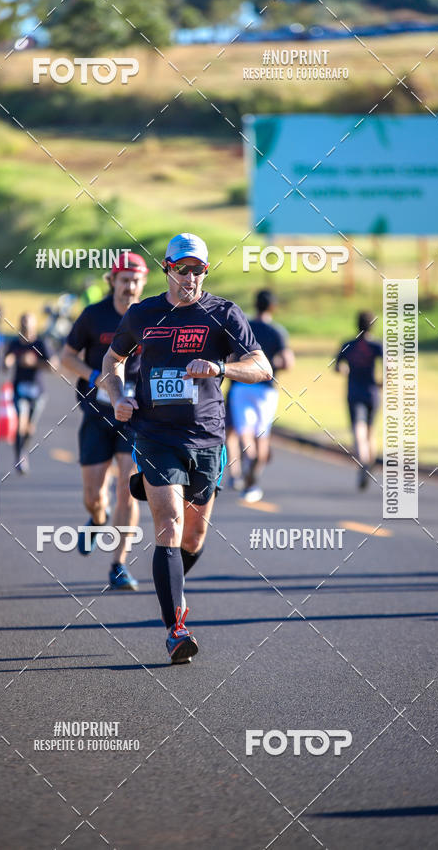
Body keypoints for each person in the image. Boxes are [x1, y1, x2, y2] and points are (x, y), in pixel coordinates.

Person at [102, 233, 272, 663]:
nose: (191, 277)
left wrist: (220, 366)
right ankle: (176, 628)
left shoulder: (223, 313)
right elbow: (112, 360)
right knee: (170, 525)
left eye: (199, 270)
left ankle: (170, 580)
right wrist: (118, 396)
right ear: (167, 269)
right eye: (183, 269)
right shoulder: (144, 314)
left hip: (207, 439)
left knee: (193, 537)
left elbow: (262, 366)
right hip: (156, 436)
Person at [61, 252, 148, 590]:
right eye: (124, 280)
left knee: (129, 491)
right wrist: (94, 374)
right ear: (112, 281)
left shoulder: (151, 315)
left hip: (135, 417)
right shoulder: (92, 315)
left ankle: (119, 564)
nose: (130, 286)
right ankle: (97, 520)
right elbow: (66, 356)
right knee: (94, 496)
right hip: (97, 414)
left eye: (136, 280)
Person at [228, 289, 294, 503]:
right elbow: (288, 362)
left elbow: (229, 354)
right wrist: (272, 365)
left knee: (243, 432)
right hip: (266, 388)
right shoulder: (277, 331)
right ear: (272, 307)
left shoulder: (245, 326)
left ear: (254, 303)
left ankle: (249, 461)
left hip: (241, 385)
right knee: (262, 434)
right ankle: (255, 474)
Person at [335, 311, 383, 490]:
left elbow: (338, 366)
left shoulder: (349, 345)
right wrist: (384, 382)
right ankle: (369, 462)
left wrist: (344, 370)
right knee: (371, 432)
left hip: (354, 392)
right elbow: (390, 365)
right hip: (372, 393)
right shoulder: (377, 346)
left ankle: (363, 461)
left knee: (358, 430)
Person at [4, 313, 56, 474]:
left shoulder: (41, 343)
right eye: (23, 323)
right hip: (19, 388)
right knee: (20, 422)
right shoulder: (14, 343)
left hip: (37, 391)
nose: (26, 326)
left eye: (29, 323)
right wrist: (8, 361)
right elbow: (5, 364)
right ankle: (19, 456)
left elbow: (54, 366)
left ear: (34, 325)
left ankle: (23, 450)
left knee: (29, 428)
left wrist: (35, 362)